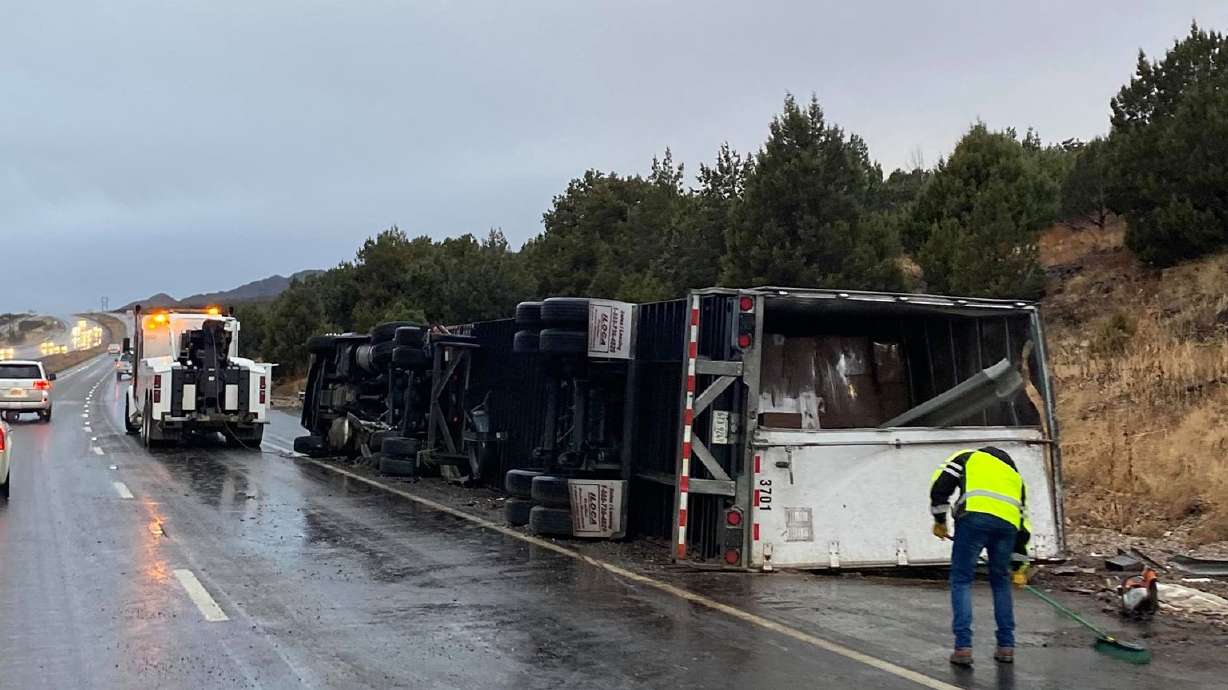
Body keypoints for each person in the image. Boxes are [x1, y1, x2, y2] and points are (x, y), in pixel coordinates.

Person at [930, 446, 1031, 666]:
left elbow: (940, 488)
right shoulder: (1015, 478)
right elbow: (1023, 526)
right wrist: (1019, 566)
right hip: (1007, 528)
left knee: (962, 580)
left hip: (973, 520)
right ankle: (1006, 647)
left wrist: (939, 521)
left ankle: (963, 648)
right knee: (1001, 583)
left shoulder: (968, 458)